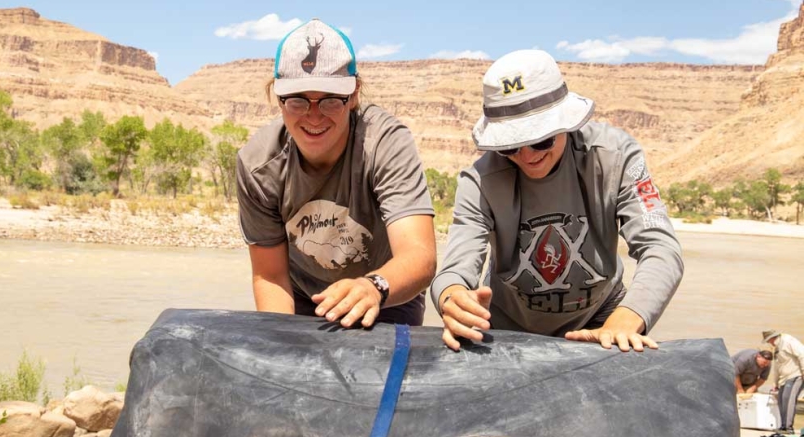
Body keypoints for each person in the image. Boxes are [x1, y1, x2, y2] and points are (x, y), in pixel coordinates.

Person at [430, 50, 684, 352]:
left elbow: (661, 247)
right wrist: (452, 298)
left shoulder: (616, 157)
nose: (528, 156)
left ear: (566, 123)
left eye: (541, 140)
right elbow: (456, 269)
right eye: (510, 146)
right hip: (505, 330)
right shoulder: (479, 181)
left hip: (602, 319)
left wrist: (626, 319)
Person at [236, 19, 436, 328]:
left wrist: (373, 287)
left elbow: (419, 257)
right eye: (297, 100)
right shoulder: (258, 165)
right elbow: (271, 276)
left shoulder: (385, 143)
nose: (313, 116)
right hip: (306, 298)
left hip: (388, 293)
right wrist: (280, 342)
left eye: (330, 99)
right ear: (278, 98)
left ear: (354, 94)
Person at [763, 330, 804, 434]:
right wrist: (775, 383)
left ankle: (789, 428)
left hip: (796, 375)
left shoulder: (788, 341)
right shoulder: (776, 348)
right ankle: (783, 426)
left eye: (768, 341)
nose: (769, 343)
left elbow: (802, 354)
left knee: (789, 400)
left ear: (772, 338)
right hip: (784, 379)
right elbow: (777, 367)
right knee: (781, 400)